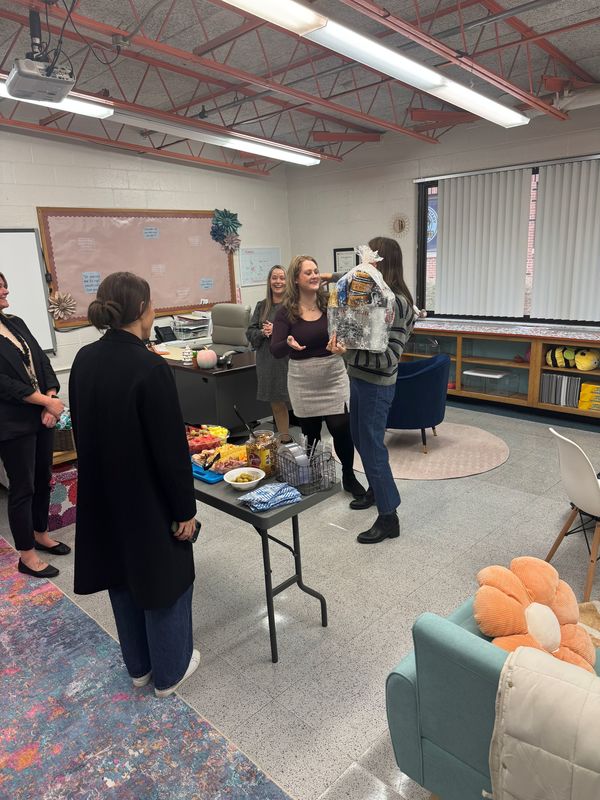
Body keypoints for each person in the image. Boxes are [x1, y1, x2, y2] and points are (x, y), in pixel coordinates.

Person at [69, 272, 200, 697]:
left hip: (102, 496)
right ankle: (170, 672)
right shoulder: (150, 366)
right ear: (143, 310)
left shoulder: (84, 359)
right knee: (165, 581)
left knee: (121, 578)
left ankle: (139, 668)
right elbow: (170, 450)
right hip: (147, 500)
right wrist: (184, 509)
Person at [331, 237, 417, 544]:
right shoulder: (374, 295)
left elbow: (389, 357)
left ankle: (388, 516)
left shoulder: (398, 304)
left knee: (372, 447)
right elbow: (362, 338)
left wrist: (347, 353)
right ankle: (374, 490)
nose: (364, 261)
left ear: (382, 261)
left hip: (376, 386)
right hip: (359, 379)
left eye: (370, 256)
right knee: (361, 440)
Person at [270, 255, 365, 498]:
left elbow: (355, 281)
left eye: (316, 271)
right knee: (310, 432)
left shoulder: (330, 303)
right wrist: (288, 343)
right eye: (308, 273)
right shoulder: (285, 312)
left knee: (340, 427)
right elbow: (275, 349)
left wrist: (343, 348)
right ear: (296, 279)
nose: (314, 276)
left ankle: (348, 475)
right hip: (302, 379)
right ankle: (312, 474)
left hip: (333, 374)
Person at [0, 271, 69, 578]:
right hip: (12, 424)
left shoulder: (15, 322)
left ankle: (40, 533)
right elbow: (3, 384)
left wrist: (51, 398)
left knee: (44, 479)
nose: (5, 291)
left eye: (5, 285)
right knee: (23, 488)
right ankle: (25, 554)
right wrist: (45, 402)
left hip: (42, 415)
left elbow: (41, 360)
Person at [245, 265, 292, 442]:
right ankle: (285, 439)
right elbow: (249, 332)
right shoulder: (262, 306)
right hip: (269, 361)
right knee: (277, 402)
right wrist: (262, 333)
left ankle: (307, 440)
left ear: (287, 281)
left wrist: (278, 330)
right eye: (274, 278)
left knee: (296, 401)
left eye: (282, 277)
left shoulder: (293, 305)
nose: (278, 281)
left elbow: (302, 332)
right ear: (269, 281)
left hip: (289, 359)